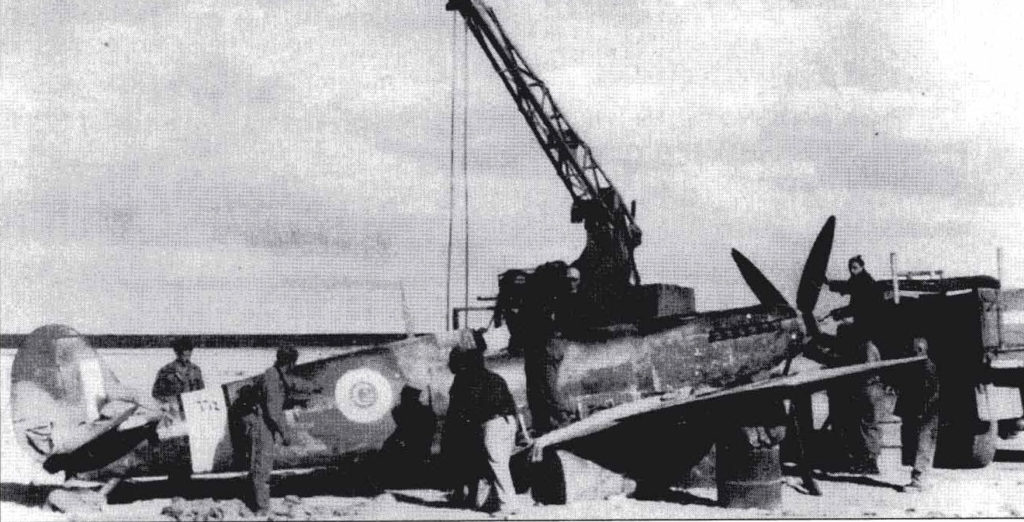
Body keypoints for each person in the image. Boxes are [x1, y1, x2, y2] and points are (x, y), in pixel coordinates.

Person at [231, 345, 321, 515]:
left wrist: (313, 387)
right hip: (259, 423)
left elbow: (293, 383)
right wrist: (285, 435)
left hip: (262, 421)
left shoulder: (276, 373)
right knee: (262, 466)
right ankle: (261, 508)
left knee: (261, 464)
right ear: (291, 363)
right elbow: (274, 412)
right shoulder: (271, 379)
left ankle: (254, 500)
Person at [443, 340, 527, 513]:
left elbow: (459, 414)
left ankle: (508, 505)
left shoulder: (464, 380)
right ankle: (497, 501)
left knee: (497, 465)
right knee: (500, 464)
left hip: (492, 424)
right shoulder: (492, 376)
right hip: (508, 421)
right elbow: (511, 404)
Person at [895, 338, 940, 492]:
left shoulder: (926, 367)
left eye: (912, 350)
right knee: (919, 444)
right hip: (920, 413)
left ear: (921, 350)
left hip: (924, 414)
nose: (910, 352)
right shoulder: (917, 366)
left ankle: (919, 481)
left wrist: (921, 412)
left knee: (923, 445)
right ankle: (921, 480)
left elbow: (930, 394)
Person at [151, 337, 205, 403]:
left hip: (192, 409)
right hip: (173, 409)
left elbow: (202, 392)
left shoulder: (196, 370)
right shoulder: (165, 371)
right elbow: (156, 394)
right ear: (177, 352)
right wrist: (169, 402)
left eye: (189, 351)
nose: (187, 354)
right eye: (183, 352)